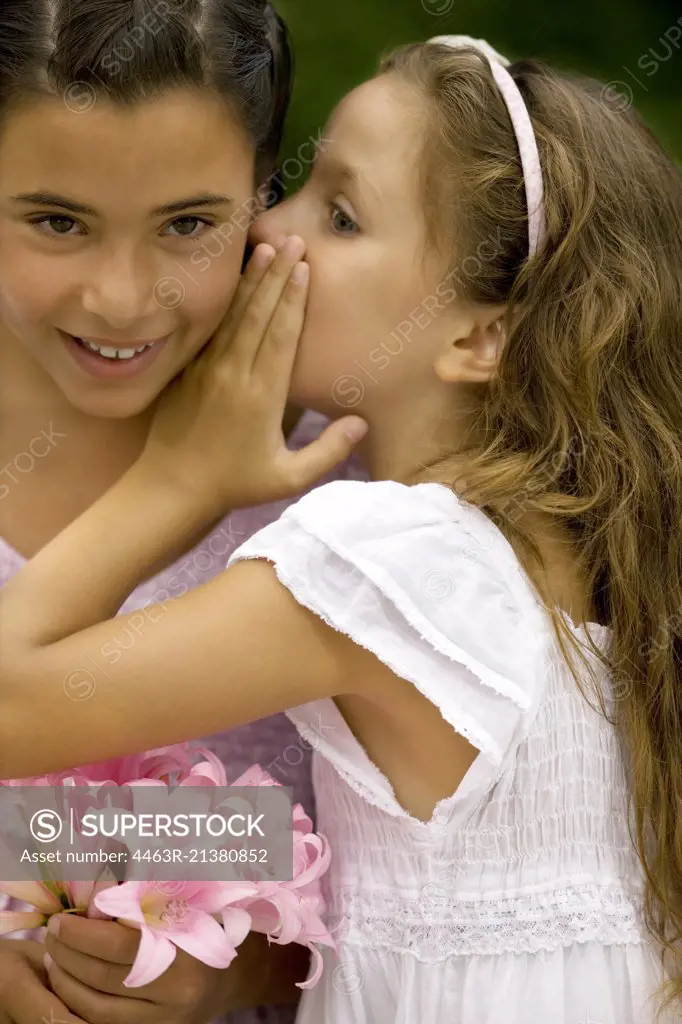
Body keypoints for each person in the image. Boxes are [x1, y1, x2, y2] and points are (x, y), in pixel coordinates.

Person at [3, 31, 682, 1024]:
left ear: (480, 334)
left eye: (340, 214)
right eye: (56, 220)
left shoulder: (378, 549)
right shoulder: (551, 542)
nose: (276, 236)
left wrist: (179, 482)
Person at [0, 0, 367, 1022]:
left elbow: (435, 889)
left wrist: (237, 966)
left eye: (190, 225)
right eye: (57, 220)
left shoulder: (348, 471)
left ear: (265, 195)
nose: (122, 299)